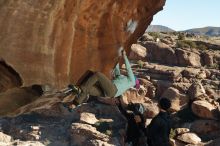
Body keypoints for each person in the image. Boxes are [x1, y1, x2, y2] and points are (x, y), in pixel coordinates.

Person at [69, 50, 140, 106]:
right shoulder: (125, 80)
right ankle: (75, 103)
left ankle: (80, 89)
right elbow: (117, 73)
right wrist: (117, 62)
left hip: (113, 90)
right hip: (106, 93)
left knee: (98, 75)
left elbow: (128, 69)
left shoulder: (133, 80)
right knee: (88, 88)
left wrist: (124, 56)